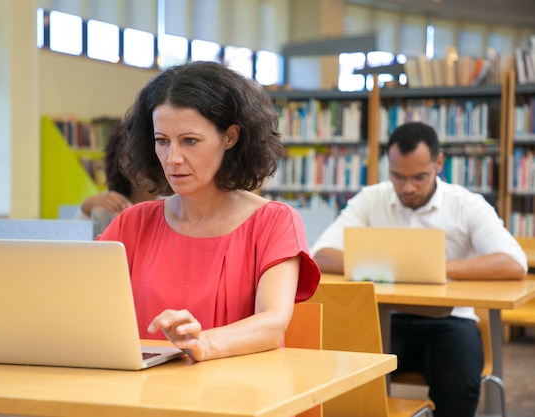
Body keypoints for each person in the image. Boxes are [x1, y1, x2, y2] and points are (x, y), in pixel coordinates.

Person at [97, 61, 321, 362]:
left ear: (230, 137)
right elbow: (87, 308)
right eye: (162, 141)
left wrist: (203, 343)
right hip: (142, 397)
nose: (173, 158)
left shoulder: (274, 221)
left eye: (190, 141)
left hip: (239, 398)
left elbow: (272, 323)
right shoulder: (132, 223)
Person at [311, 121, 527, 417]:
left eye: (419, 177)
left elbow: (514, 263)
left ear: (439, 163)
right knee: (341, 377)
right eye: (397, 177)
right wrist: (382, 267)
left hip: (450, 322)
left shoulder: (467, 205)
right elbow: (319, 255)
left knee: (458, 383)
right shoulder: (371, 199)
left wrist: (437, 268)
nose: (407, 188)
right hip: (383, 321)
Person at [74, 122, 157, 234]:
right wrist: (86, 207)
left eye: (150, 158)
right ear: (119, 162)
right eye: (132, 159)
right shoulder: (106, 203)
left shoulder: (175, 202)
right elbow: (72, 243)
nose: (142, 167)